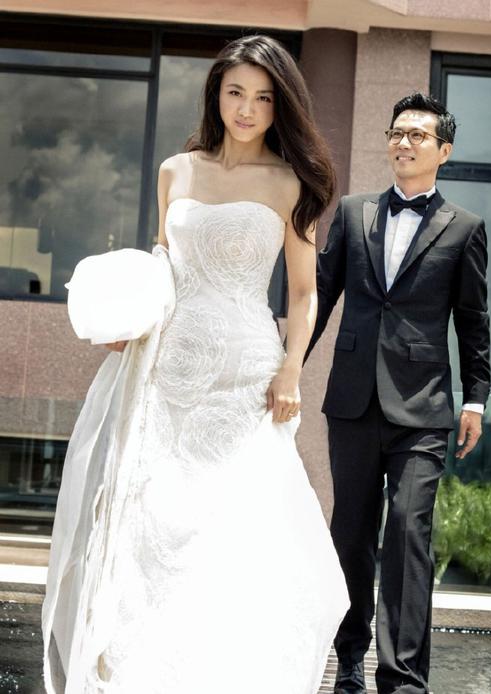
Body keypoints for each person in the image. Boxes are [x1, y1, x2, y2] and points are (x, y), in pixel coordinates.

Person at [42, 34, 349, 694]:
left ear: (279, 107)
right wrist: (128, 318)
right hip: (167, 371)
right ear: (216, 95)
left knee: (227, 528)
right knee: (151, 522)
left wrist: (291, 370)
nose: (246, 109)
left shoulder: (289, 182)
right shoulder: (176, 171)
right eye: (235, 93)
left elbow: (304, 292)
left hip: (245, 379)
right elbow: (163, 262)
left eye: (263, 98)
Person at [306, 93, 490, 694]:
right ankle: (348, 662)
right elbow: (320, 298)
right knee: (351, 534)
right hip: (352, 401)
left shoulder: (464, 228)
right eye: (396, 133)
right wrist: (284, 369)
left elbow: (473, 320)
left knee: (410, 534)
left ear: (444, 151)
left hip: (424, 407)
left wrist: (475, 398)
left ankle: (404, 678)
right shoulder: (353, 213)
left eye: (417, 135)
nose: (403, 143)